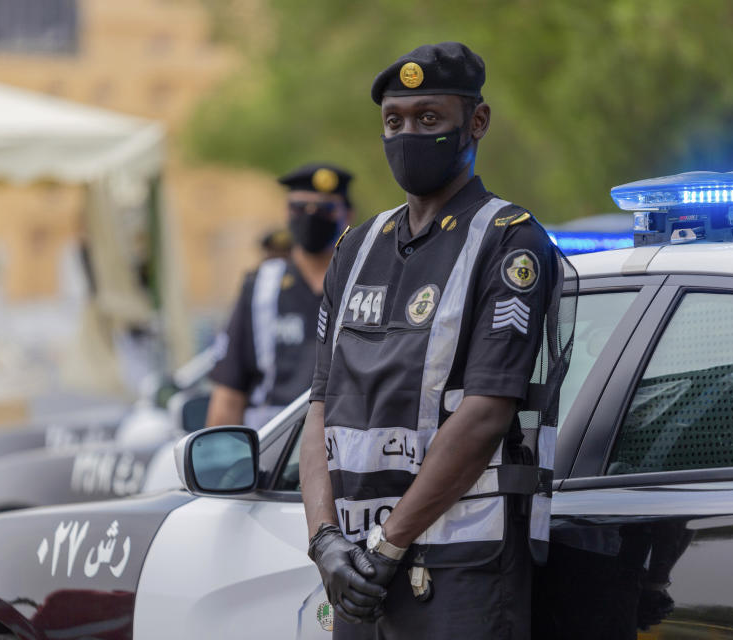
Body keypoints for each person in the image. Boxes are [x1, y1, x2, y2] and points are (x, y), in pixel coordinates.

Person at [299, 42, 573, 639]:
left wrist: (389, 544)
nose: (407, 134)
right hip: (356, 575)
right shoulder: (357, 246)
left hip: (459, 570)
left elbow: (484, 415)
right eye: (394, 122)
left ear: (477, 122)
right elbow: (318, 409)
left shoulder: (507, 240)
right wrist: (324, 542)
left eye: (429, 119)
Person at [206, 164, 355, 429]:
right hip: (275, 452)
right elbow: (228, 396)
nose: (311, 217)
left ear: (347, 214)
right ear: (286, 214)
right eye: (299, 208)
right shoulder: (261, 287)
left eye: (324, 209)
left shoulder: (365, 280)